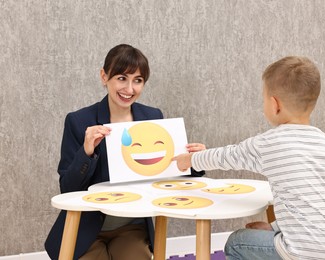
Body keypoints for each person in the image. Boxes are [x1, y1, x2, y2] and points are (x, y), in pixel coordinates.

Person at [173, 56, 325, 259]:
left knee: (237, 242)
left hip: (306, 251)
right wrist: (273, 228)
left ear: (275, 105)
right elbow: (315, 203)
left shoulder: (270, 142)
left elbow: (227, 156)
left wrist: (191, 159)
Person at [45, 44, 205, 260]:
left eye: (137, 80)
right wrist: (86, 152)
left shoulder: (152, 117)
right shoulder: (79, 121)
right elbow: (68, 188)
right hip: (87, 228)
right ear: (104, 77)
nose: (129, 89)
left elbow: (167, 170)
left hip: (131, 226)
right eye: (122, 78)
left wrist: (195, 161)